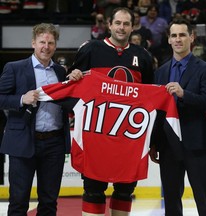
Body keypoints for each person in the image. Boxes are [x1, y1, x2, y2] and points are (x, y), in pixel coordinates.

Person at [67, 7, 154, 216]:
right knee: (93, 191)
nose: (121, 28)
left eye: (126, 24)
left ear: (132, 27)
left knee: (125, 191)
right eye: (118, 23)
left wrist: (153, 140)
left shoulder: (143, 56)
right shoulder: (90, 49)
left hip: (129, 140)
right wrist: (74, 75)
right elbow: (71, 86)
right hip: (96, 138)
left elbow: (151, 99)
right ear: (109, 25)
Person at [0, 23, 81, 215]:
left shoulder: (61, 72)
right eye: (42, 42)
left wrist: (77, 80)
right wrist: (21, 99)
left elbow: (70, 101)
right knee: (18, 201)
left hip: (54, 144)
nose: (46, 46)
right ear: (33, 43)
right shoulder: (14, 68)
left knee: (49, 202)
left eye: (51, 42)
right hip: (23, 143)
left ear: (55, 45)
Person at [149, 18, 206, 216]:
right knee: (170, 199)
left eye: (182, 35)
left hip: (196, 144)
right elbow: (157, 112)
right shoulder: (161, 72)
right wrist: (154, 143)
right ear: (169, 40)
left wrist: (183, 94)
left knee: (204, 198)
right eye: (174, 35)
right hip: (168, 146)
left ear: (191, 37)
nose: (178, 39)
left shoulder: (205, 69)